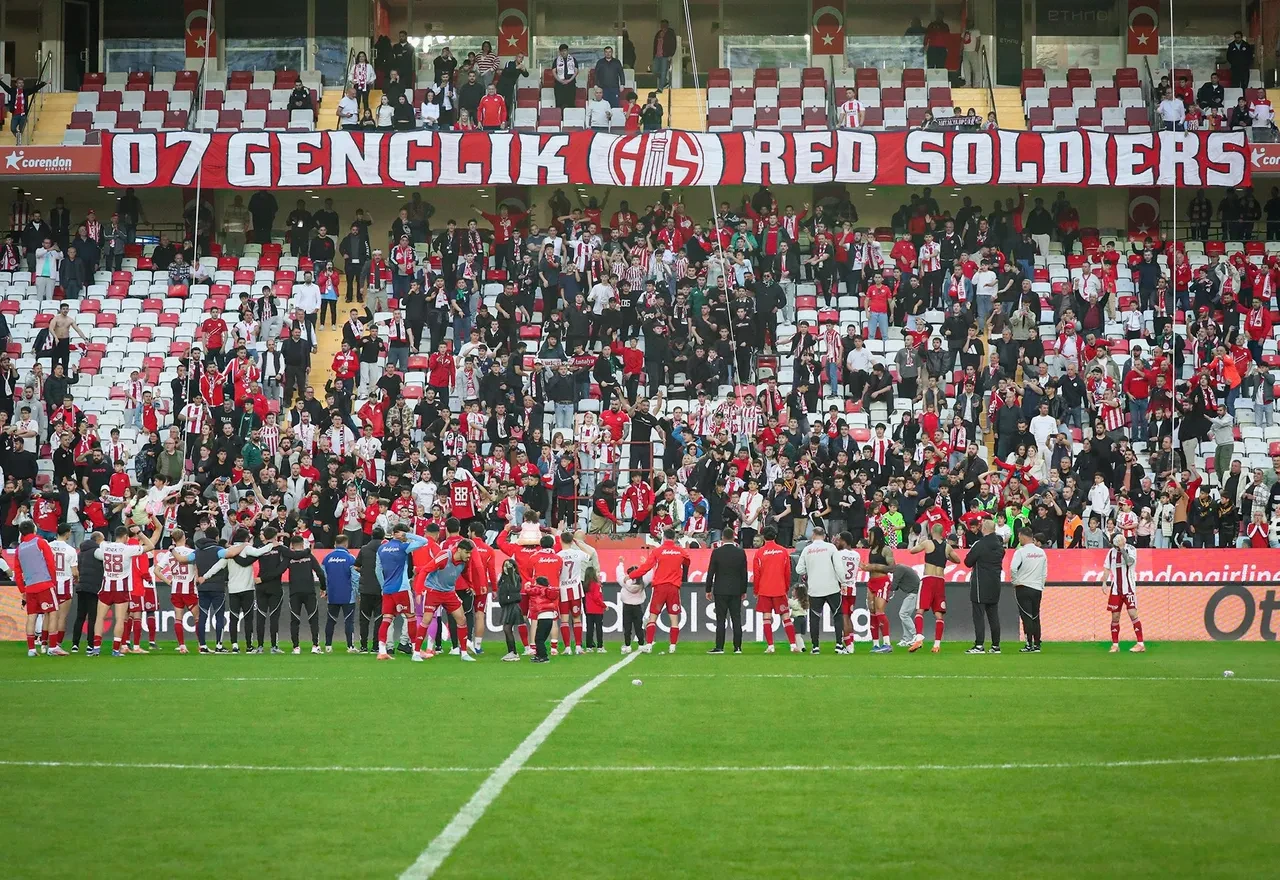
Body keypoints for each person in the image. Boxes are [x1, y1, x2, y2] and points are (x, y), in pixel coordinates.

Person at [96, 523, 161, 657]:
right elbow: (151, 546)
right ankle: (115, 649)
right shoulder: (128, 549)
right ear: (125, 537)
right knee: (120, 619)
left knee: (100, 618)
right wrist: (140, 533)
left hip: (106, 586)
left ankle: (96, 648)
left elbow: (97, 545)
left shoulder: (105, 546)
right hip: (121, 588)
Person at [628, 527, 690, 654]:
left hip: (660, 587)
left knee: (653, 616)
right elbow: (688, 561)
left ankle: (649, 645)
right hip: (673, 587)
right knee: (674, 618)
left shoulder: (658, 551)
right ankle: (672, 647)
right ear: (674, 538)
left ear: (664, 538)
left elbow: (645, 568)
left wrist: (631, 575)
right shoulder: (680, 551)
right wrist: (683, 575)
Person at [905, 522, 961, 653]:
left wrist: (917, 541)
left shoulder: (927, 543)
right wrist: (946, 556)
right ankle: (936, 644)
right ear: (942, 533)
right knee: (938, 614)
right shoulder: (947, 547)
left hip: (928, 579)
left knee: (920, 610)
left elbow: (912, 551)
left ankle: (919, 637)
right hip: (940, 581)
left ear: (931, 530)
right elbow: (958, 560)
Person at [419, 538, 477, 661]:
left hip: (449, 592)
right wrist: (419, 591)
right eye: (467, 552)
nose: (469, 555)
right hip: (434, 591)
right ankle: (416, 652)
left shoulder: (465, 561)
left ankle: (464, 653)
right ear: (460, 550)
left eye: (470, 553)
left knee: (461, 619)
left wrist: (470, 585)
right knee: (427, 619)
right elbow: (425, 570)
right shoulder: (444, 556)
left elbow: (466, 573)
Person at [751, 524, 801, 653]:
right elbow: (788, 572)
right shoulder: (783, 551)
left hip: (764, 589)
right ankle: (793, 645)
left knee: (766, 618)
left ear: (763, 537)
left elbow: (757, 574)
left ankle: (771, 646)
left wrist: (756, 590)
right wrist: (785, 587)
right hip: (779, 589)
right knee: (786, 617)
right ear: (775, 536)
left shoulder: (759, 552)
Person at [13, 521, 59, 657]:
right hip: (44, 583)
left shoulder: (19, 549)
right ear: (34, 529)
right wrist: (53, 581)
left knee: (31, 616)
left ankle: (31, 649)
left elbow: (17, 572)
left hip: (30, 587)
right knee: (53, 613)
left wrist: (23, 590)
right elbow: (50, 562)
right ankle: (53, 647)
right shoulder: (40, 542)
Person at [796, 526, 843, 654]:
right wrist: (843, 581)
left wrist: (809, 570)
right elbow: (839, 567)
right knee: (838, 615)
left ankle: (815, 647)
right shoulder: (831, 547)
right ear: (824, 535)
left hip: (815, 588)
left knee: (815, 617)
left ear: (813, 535)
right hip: (832, 587)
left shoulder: (807, 549)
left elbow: (799, 570)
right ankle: (839, 645)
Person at [964, 518, 1005, 653]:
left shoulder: (980, 544)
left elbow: (968, 562)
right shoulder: (999, 546)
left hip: (980, 583)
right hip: (995, 583)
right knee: (994, 615)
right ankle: (995, 645)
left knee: (978, 615)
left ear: (984, 529)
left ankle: (979, 645)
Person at [705, 527, 748, 654]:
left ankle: (719, 647)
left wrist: (708, 589)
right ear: (734, 537)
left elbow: (711, 572)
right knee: (736, 619)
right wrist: (743, 590)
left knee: (720, 619)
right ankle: (738, 647)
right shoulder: (740, 552)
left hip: (720, 590)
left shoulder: (717, 552)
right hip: (736, 590)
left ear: (722, 537)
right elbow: (744, 574)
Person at [1102, 532, 1145, 653]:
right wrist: (1104, 582)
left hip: (1129, 587)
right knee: (1115, 616)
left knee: (1132, 614)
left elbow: (1130, 562)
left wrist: (1122, 549)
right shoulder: (1111, 552)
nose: (1116, 547)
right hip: (1116, 589)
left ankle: (1140, 643)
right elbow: (1106, 568)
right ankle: (1115, 645)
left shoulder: (1131, 549)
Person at [1010, 527, 1047, 652]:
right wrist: (1041, 585)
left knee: (1026, 616)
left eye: (1019, 537)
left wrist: (1015, 582)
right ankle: (1037, 644)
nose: (1018, 539)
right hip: (1037, 588)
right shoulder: (1041, 552)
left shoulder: (1020, 552)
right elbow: (1044, 572)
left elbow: (1013, 569)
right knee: (1036, 615)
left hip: (1023, 586)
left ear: (1023, 536)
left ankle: (1028, 644)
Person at [321, 534, 358, 653]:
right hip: (347, 595)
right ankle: (350, 646)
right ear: (346, 544)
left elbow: (323, 576)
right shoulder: (351, 558)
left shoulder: (327, 558)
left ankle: (328, 646)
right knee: (349, 621)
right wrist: (357, 592)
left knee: (331, 620)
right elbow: (355, 577)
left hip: (332, 594)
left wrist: (325, 590)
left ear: (335, 544)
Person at [862, 526, 895, 652]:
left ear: (876, 536)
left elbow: (892, 567)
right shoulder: (871, 550)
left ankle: (887, 643)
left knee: (880, 611)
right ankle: (875, 644)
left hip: (882, 582)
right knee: (872, 611)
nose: (868, 538)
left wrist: (874, 566)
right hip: (871, 582)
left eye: (870, 535)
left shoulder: (886, 550)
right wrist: (867, 568)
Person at [557, 530, 591, 654]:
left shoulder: (558, 555)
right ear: (572, 541)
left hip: (563, 590)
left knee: (564, 619)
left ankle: (567, 648)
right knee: (577, 619)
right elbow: (590, 555)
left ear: (561, 540)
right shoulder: (578, 554)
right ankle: (578, 647)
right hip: (575, 589)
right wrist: (579, 544)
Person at [651, 20, 676, 91]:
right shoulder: (658, 33)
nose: (663, 26)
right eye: (662, 25)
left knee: (663, 71)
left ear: (667, 25)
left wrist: (671, 55)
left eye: (664, 25)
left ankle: (660, 88)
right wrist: (653, 55)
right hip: (657, 55)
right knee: (654, 70)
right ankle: (665, 81)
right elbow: (655, 45)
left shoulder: (670, 33)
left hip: (665, 56)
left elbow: (673, 44)